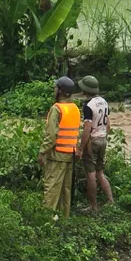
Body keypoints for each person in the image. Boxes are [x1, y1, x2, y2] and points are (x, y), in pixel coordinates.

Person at [40, 76, 81, 217]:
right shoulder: (75, 108)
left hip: (57, 155)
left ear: (61, 91)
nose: (54, 90)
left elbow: (51, 135)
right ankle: (64, 221)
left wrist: (42, 152)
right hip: (70, 155)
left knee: (51, 189)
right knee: (65, 191)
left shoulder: (56, 109)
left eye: (56, 88)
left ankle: (46, 222)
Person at [78, 75, 115, 212]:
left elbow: (87, 128)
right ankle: (111, 201)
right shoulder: (104, 102)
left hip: (92, 141)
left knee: (91, 175)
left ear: (85, 90)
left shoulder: (88, 105)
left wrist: (81, 148)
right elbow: (108, 124)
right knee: (100, 172)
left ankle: (94, 206)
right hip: (103, 139)